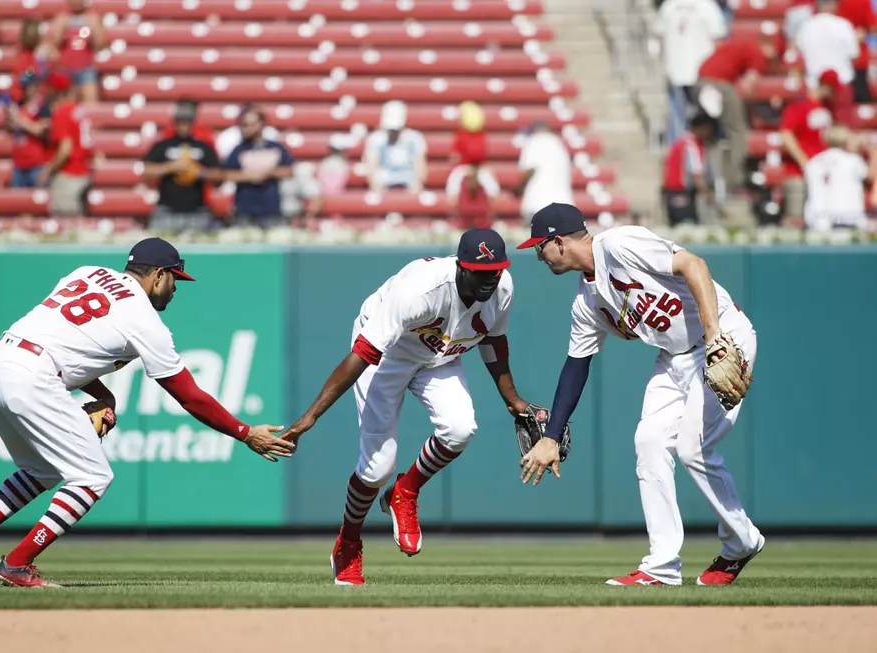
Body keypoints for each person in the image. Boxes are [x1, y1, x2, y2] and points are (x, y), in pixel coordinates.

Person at [0, 238, 296, 588]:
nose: (174, 289)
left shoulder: (87, 272)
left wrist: (104, 393)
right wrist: (245, 432)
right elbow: (189, 396)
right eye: (174, 279)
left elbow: (65, 341)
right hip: (32, 375)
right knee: (92, 477)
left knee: (42, 471)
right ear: (158, 275)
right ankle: (17, 563)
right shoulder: (144, 319)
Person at [516, 203, 763, 587]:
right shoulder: (586, 302)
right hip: (674, 357)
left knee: (693, 447)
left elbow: (694, 265)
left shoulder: (619, 244)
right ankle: (662, 567)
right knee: (648, 442)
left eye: (539, 246)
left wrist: (715, 335)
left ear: (559, 241)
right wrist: (551, 437)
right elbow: (576, 366)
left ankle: (740, 543)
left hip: (722, 337)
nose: (538, 256)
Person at [282, 229, 536, 586]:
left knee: (460, 429)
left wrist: (513, 400)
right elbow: (363, 355)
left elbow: (494, 341)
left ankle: (407, 490)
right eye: (480, 271)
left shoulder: (503, 287)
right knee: (376, 469)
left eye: (495, 270)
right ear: (460, 266)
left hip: (442, 355)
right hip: (388, 355)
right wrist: (311, 416)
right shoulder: (420, 291)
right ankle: (348, 544)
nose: (489, 278)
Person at [696, 34, 776, 191]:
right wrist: (753, 115)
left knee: (715, 135)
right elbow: (748, 88)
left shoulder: (741, 44)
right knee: (738, 133)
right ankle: (733, 180)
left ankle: (715, 176)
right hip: (717, 84)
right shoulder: (757, 51)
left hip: (701, 82)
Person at [653, 0, 727, 142]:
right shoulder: (708, 6)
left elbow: (660, 38)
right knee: (701, 121)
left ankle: (683, 155)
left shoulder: (669, 6)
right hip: (699, 74)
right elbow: (719, 41)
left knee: (681, 122)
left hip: (680, 72)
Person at [143, 99, 221, 231]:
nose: (184, 125)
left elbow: (219, 176)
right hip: (167, 209)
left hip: (197, 210)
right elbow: (147, 171)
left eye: (188, 121)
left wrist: (199, 171)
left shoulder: (203, 146)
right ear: (175, 123)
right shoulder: (163, 145)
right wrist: (171, 167)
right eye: (181, 121)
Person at [779, 70, 838, 222]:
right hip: (798, 171)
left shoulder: (829, 108)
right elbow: (786, 134)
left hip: (823, 172)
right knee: (796, 217)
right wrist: (804, 161)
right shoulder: (800, 105)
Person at [222, 107, 294, 228]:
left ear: (262, 124)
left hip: (271, 208)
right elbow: (226, 173)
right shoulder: (239, 149)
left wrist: (267, 173)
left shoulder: (275, 147)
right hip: (244, 209)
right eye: (244, 125)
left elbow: (289, 171)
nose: (248, 129)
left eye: (252, 124)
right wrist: (249, 176)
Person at [39, 72, 93, 216]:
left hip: (69, 174)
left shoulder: (62, 112)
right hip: (83, 171)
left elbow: (65, 148)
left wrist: (48, 170)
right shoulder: (79, 110)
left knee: (67, 227)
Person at [796, 0, 857, 123]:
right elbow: (854, 55)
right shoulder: (843, 25)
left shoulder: (806, 26)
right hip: (839, 86)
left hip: (814, 86)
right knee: (843, 129)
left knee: (816, 130)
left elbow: (798, 54)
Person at [803, 126, 874, 230]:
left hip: (818, 220)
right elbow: (870, 177)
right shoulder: (853, 161)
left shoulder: (812, 162)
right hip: (849, 218)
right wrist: (873, 152)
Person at [662, 112, 718, 225]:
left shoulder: (682, 141)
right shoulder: (691, 145)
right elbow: (696, 176)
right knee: (686, 226)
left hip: (674, 193)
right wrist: (709, 196)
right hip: (680, 193)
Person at [362, 100, 428, 193]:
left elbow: (420, 165)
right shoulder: (375, 139)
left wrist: (417, 186)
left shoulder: (415, 139)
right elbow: (372, 166)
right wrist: (376, 188)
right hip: (384, 179)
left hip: (408, 178)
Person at [516, 121, 572, 224]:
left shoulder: (534, 142)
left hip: (537, 204)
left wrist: (518, 189)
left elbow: (529, 170)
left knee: (536, 239)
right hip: (564, 205)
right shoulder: (559, 145)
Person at [50, 0, 105, 104]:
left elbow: (100, 45)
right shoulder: (62, 18)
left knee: (90, 101)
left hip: (86, 68)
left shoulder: (92, 18)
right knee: (64, 104)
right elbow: (53, 44)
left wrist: (94, 35)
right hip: (65, 68)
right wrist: (61, 31)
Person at [9, 72, 51, 188]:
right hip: (19, 164)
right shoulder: (19, 106)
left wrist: (20, 120)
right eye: (24, 86)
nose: (26, 89)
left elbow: (41, 131)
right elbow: (11, 129)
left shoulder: (43, 106)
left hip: (37, 164)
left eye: (29, 86)